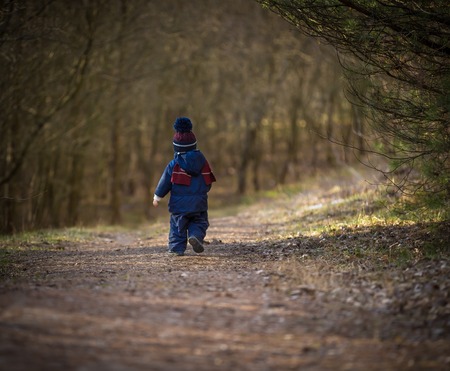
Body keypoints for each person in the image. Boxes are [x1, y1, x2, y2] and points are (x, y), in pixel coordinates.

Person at [153, 117, 216, 256]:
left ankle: (176, 249)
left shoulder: (173, 164)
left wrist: (157, 196)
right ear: (194, 145)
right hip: (199, 203)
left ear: (176, 147)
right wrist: (203, 191)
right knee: (199, 222)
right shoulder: (202, 162)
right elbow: (208, 180)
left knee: (177, 226)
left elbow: (165, 182)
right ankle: (195, 237)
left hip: (179, 205)